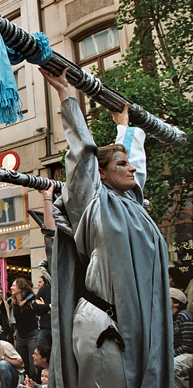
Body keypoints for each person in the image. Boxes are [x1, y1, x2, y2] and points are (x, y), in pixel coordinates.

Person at [40, 67, 173, 387]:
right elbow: (83, 156)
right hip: (103, 330)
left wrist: (124, 127)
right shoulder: (92, 205)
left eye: (129, 163)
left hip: (137, 328)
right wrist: (68, 98)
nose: (131, 169)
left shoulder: (133, 208)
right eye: (120, 165)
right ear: (100, 175)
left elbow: (136, 170)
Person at [10, 278, 38, 377]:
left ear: (20, 287)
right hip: (20, 335)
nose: (11, 288)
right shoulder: (13, 301)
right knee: (22, 361)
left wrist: (26, 301)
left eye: (14, 285)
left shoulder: (31, 300)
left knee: (33, 363)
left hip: (32, 334)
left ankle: (34, 383)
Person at [171, 287, 192, 387]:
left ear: (176, 303)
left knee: (172, 367)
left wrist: (170, 354)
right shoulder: (167, 317)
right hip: (176, 352)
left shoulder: (183, 316)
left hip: (188, 354)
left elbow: (189, 346)